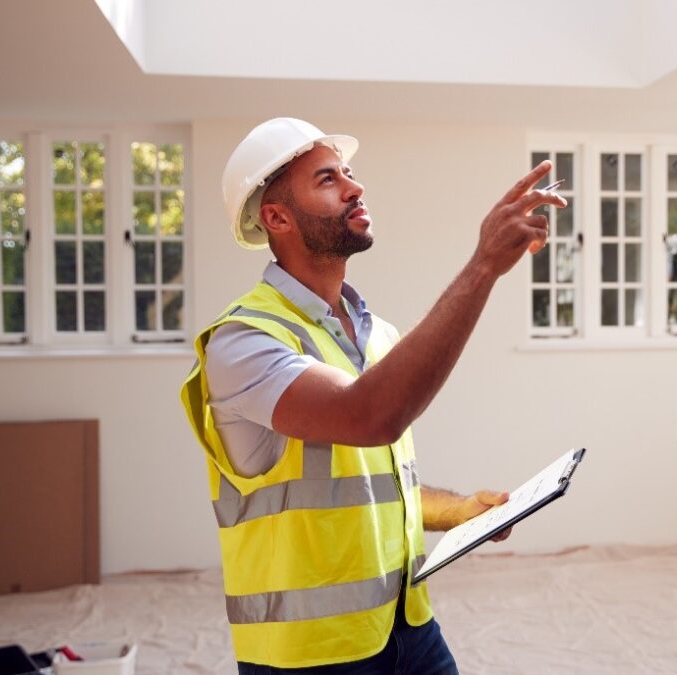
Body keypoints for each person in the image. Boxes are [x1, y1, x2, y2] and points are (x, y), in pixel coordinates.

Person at [179, 117, 566, 674]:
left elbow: (373, 484)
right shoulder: (244, 341)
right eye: (328, 179)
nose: (355, 187)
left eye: (350, 174)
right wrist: (483, 266)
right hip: (312, 655)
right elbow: (369, 416)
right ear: (277, 217)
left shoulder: (375, 334)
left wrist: (459, 511)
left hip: (407, 625)